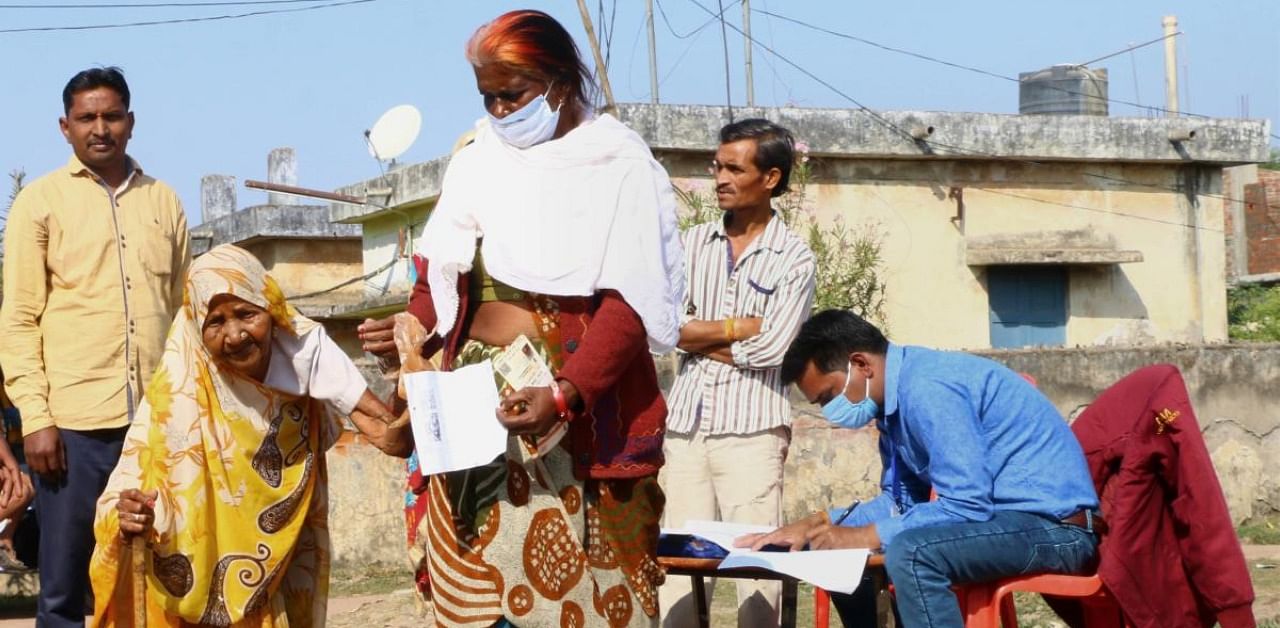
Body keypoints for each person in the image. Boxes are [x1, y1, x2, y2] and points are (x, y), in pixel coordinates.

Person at [357, 9, 684, 627]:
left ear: (559, 83)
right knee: (483, 600)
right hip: (474, 417)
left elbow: (629, 306)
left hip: (579, 414)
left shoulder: (619, 166)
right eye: (489, 99)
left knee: (594, 594)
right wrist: (410, 328)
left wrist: (564, 395)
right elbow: (440, 278)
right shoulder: (478, 162)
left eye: (513, 96)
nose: (501, 112)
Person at [87, 244, 411, 626]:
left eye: (246, 314)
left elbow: (393, 438)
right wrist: (128, 514)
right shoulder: (177, 390)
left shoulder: (305, 352)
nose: (235, 335)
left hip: (265, 583)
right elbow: (125, 486)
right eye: (216, 322)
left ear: (270, 310)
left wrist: (403, 361)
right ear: (195, 326)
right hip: (180, 587)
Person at [739, 310, 1101, 628]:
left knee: (912, 553)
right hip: (1002, 524)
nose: (829, 409)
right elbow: (901, 504)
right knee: (838, 552)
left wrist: (863, 535)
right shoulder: (891, 407)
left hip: (1054, 529)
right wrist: (821, 523)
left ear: (861, 365)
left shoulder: (928, 388)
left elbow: (967, 506)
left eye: (830, 395)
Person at [0, 66, 191, 627]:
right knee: (66, 589)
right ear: (65, 127)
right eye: (87, 118)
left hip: (157, 422)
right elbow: (18, 320)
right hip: (73, 429)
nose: (100, 128)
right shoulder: (40, 204)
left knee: (163, 572)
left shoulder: (164, 202)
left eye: (111, 116)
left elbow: (186, 314)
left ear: (131, 122)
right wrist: (36, 418)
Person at [659, 119, 815, 628]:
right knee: (679, 567)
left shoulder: (794, 257)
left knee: (757, 569)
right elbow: (664, 329)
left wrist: (702, 337)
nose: (720, 178)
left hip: (752, 430)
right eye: (717, 166)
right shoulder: (690, 245)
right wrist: (738, 326)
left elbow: (775, 349)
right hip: (685, 427)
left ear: (770, 178)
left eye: (733, 168)